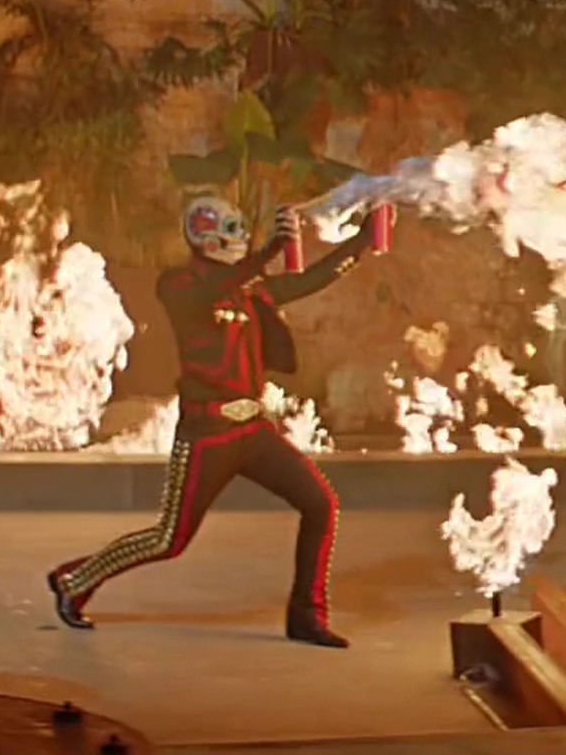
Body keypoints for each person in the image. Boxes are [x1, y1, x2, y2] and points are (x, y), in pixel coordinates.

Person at [45, 196, 382, 649]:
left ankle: (306, 617)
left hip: (253, 430)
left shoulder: (249, 289)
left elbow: (309, 280)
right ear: (206, 238)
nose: (241, 239)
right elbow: (218, 287)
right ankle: (74, 581)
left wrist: (362, 241)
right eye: (232, 231)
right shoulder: (179, 285)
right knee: (169, 539)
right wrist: (270, 250)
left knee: (320, 503)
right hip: (206, 435)